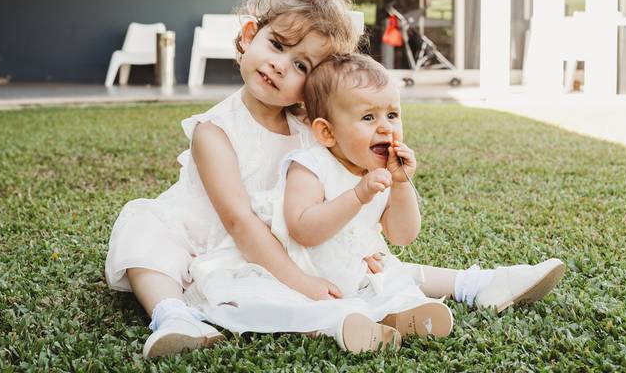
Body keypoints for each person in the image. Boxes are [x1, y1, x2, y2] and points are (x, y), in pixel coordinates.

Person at [105, 0, 565, 358]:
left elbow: (344, 208)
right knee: (146, 237)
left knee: (370, 263)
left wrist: (364, 225)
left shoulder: (314, 133)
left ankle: (477, 283)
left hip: (291, 237)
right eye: (277, 45)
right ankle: (172, 317)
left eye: (302, 65)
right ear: (249, 37)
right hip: (212, 238)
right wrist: (301, 280)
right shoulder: (216, 131)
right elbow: (240, 222)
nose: (281, 66)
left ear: (316, 88)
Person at [189, 54, 454, 353]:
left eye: (392, 115)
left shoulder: (377, 171)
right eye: (368, 117)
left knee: (390, 282)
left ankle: (402, 312)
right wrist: (357, 196)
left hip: (353, 272)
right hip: (299, 272)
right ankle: (340, 324)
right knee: (278, 303)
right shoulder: (309, 166)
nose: (385, 128)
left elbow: (402, 235)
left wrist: (402, 183)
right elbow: (304, 229)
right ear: (327, 132)